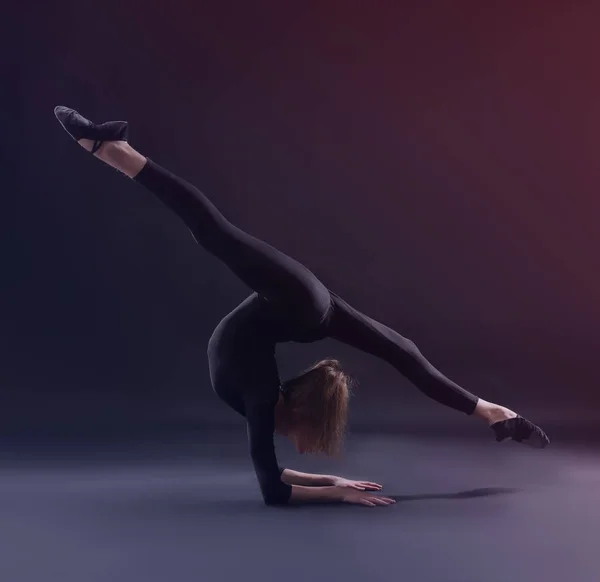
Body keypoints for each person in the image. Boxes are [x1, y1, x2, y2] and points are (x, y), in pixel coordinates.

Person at [53, 106, 550, 508]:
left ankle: (493, 411)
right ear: (301, 412)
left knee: (402, 350)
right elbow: (274, 490)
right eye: (322, 435)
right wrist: (334, 490)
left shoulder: (263, 403)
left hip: (298, 309)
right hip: (294, 305)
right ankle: (109, 149)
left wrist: (327, 479)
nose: (319, 444)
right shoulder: (263, 398)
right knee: (213, 231)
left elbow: (271, 476)